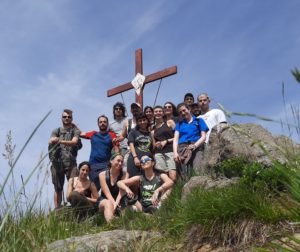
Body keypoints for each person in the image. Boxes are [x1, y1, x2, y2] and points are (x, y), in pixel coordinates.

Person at [48, 109, 81, 209]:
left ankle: (76, 209)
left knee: (75, 186)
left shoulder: (75, 131)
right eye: (65, 117)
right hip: (57, 162)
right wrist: (54, 139)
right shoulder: (56, 130)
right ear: (61, 118)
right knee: (58, 188)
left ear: (72, 119)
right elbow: (51, 140)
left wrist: (59, 141)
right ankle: (58, 209)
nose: (67, 118)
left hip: (71, 162)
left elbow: (75, 142)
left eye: (69, 117)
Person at [80, 115, 119, 191]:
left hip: (106, 165)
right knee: (94, 189)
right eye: (100, 122)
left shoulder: (112, 135)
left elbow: (117, 150)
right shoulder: (93, 134)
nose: (102, 123)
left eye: (104, 122)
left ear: (107, 124)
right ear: (98, 124)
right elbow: (81, 134)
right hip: (93, 165)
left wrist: (116, 163)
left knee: (107, 188)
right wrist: (73, 125)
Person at [173, 103, 209, 176]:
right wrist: (175, 153)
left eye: (184, 110)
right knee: (183, 173)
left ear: (189, 109)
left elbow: (203, 136)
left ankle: (198, 186)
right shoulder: (179, 124)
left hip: (197, 147)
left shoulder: (199, 120)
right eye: (180, 112)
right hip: (182, 148)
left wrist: (195, 145)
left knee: (197, 169)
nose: (183, 113)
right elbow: (175, 139)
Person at [98, 152, 128, 222]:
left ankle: (116, 221)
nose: (120, 163)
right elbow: (107, 193)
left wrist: (116, 202)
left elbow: (122, 191)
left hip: (119, 199)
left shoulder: (125, 174)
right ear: (111, 161)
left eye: (122, 161)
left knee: (125, 214)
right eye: (118, 160)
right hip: (105, 199)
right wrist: (114, 203)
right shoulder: (102, 175)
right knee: (108, 203)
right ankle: (112, 224)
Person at [152, 106, 177, 182]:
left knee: (173, 176)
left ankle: (175, 192)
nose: (158, 113)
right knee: (163, 177)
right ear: (153, 114)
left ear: (163, 113)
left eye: (160, 111)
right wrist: (156, 144)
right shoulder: (152, 129)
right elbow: (153, 145)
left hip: (170, 151)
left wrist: (166, 141)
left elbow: (178, 136)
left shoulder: (169, 122)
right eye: (156, 111)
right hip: (159, 153)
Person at [127, 112, 154, 178]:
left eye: (144, 120)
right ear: (137, 122)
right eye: (140, 121)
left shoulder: (150, 133)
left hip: (147, 161)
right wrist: (135, 157)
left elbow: (153, 147)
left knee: (146, 180)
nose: (142, 122)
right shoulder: (133, 132)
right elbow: (131, 144)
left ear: (147, 121)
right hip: (135, 159)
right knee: (134, 180)